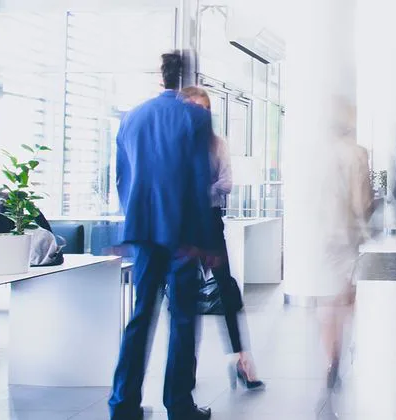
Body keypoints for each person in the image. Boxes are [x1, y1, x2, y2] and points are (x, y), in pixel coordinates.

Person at [109, 52, 216, 420]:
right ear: (187, 78)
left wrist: (134, 223)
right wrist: (206, 242)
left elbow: (122, 178)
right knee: (183, 319)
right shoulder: (196, 117)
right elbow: (200, 180)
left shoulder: (131, 118)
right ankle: (180, 405)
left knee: (141, 316)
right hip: (182, 233)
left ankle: (122, 404)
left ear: (160, 77)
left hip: (142, 231)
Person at [179, 86, 266, 391]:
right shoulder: (175, 144)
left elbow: (227, 184)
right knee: (185, 297)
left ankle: (243, 360)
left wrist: (197, 192)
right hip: (183, 227)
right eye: (194, 107)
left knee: (227, 291)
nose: (200, 113)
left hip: (211, 223)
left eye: (205, 108)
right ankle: (185, 367)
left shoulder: (217, 144)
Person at [311, 96, 372, 389]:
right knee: (346, 294)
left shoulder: (318, 153)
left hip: (323, 232)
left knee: (326, 297)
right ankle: (343, 343)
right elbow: (362, 202)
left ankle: (329, 356)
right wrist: (366, 224)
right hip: (348, 234)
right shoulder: (358, 154)